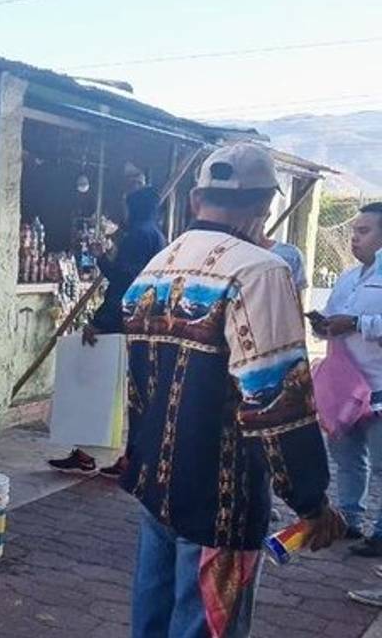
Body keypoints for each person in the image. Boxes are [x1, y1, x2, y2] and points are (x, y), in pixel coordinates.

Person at [121, 143, 343, 637]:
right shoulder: (259, 271)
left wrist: (139, 461)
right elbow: (276, 401)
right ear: (264, 204)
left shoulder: (154, 268)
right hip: (221, 500)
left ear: (196, 199)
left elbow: (139, 392)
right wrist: (310, 500)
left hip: (155, 484)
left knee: (150, 624)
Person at [48, 187, 167, 477]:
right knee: (133, 394)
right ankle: (128, 457)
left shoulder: (137, 236)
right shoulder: (157, 236)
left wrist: (100, 320)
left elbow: (124, 282)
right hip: (143, 323)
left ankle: (92, 455)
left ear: (134, 207)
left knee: (95, 386)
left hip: (119, 323)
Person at [310, 202, 382, 557]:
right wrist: (322, 325)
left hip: (379, 387)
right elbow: (334, 319)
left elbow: (355, 323)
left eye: (363, 231)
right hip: (345, 388)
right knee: (347, 456)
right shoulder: (348, 278)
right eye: (354, 231)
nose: (354, 238)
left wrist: (356, 323)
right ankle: (350, 519)